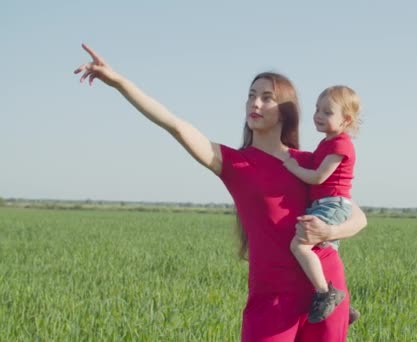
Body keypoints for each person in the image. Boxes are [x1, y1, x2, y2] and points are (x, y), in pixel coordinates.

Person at [74, 43, 367, 341]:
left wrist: (328, 230)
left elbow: (357, 217)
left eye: (267, 98)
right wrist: (120, 83)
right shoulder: (235, 163)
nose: (255, 104)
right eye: (251, 96)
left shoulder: (307, 163)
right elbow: (175, 125)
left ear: (285, 111)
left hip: (326, 295)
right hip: (271, 299)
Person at [282, 86, 361, 324]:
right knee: (322, 255)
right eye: (317, 109)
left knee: (300, 246)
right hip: (327, 203)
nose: (318, 115)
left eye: (327, 112)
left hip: (331, 205)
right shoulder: (327, 142)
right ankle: (343, 307)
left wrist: (293, 167)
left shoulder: (340, 144)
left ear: (346, 120)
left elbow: (318, 177)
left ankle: (326, 293)